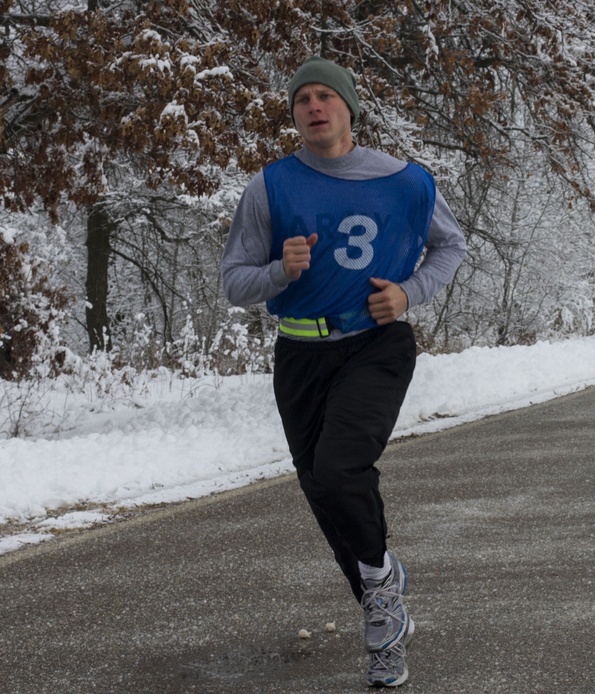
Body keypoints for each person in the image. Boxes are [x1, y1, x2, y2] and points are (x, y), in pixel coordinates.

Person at [221, 56, 467, 687]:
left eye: (325, 95)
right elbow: (234, 283)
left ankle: (381, 589)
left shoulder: (406, 182)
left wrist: (410, 294)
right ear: (295, 113)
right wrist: (281, 271)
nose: (313, 106)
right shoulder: (270, 187)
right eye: (302, 98)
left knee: (339, 468)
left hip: (376, 345)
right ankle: (384, 614)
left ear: (349, 107)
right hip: (300, 354)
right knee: (321, 491)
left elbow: (452, 245)